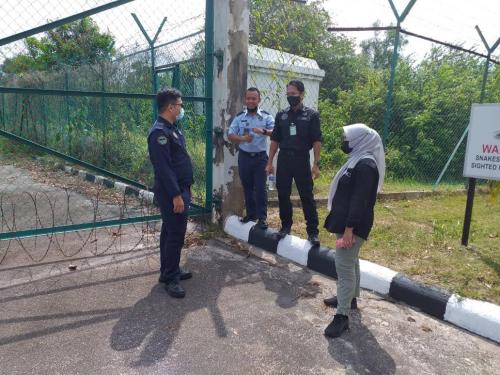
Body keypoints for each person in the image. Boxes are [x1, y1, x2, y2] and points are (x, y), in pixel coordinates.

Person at [323, 124, 385, 338]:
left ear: (359, 140)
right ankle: (350, 299)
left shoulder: (366, 166)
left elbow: (360, 201)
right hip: (346, 222)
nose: (344, 141)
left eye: (347, 138)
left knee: (344, 265)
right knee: (352, 260)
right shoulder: (358, 159)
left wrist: (349, 229)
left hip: (352, 225)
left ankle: (342, 317)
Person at [147, 88, 194, 299]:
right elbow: (164, 168)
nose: (181, 108)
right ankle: (170, 278)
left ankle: (168, 270)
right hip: (171, 193)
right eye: (180, 105)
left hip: (180, 189)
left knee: (170, 231)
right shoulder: (159, 133)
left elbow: (179, 162)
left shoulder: (172, 128)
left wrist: (186, 187)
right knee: (175, 234)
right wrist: (176, 194)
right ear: (170, 107)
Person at [265, 80, 322, 246]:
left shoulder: (311, 115)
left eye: (294, 94)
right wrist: (270, 162)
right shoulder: (281, 115)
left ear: (302, 95)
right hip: (284, 160)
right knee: (283, 194)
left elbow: (317, 141)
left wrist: (316, 164)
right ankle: (285, 227)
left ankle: (313, 232)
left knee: (307, 196)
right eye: (288, 94)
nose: (291, 97)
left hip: (301, 159)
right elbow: (275, 140)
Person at [228, 87, 275, 229]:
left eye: (254, 98)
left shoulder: (266, 117)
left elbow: (276, 133)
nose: (251, 101)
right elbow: (230, 134)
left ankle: (262, 218)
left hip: (260, 158)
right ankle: (251, 214)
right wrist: (243, 138)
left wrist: (264, 131)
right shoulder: (239, 117)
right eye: (248, 98)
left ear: (259, 100)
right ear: (245, 100)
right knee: (247, 187)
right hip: (245, 157)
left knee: (260, 188)